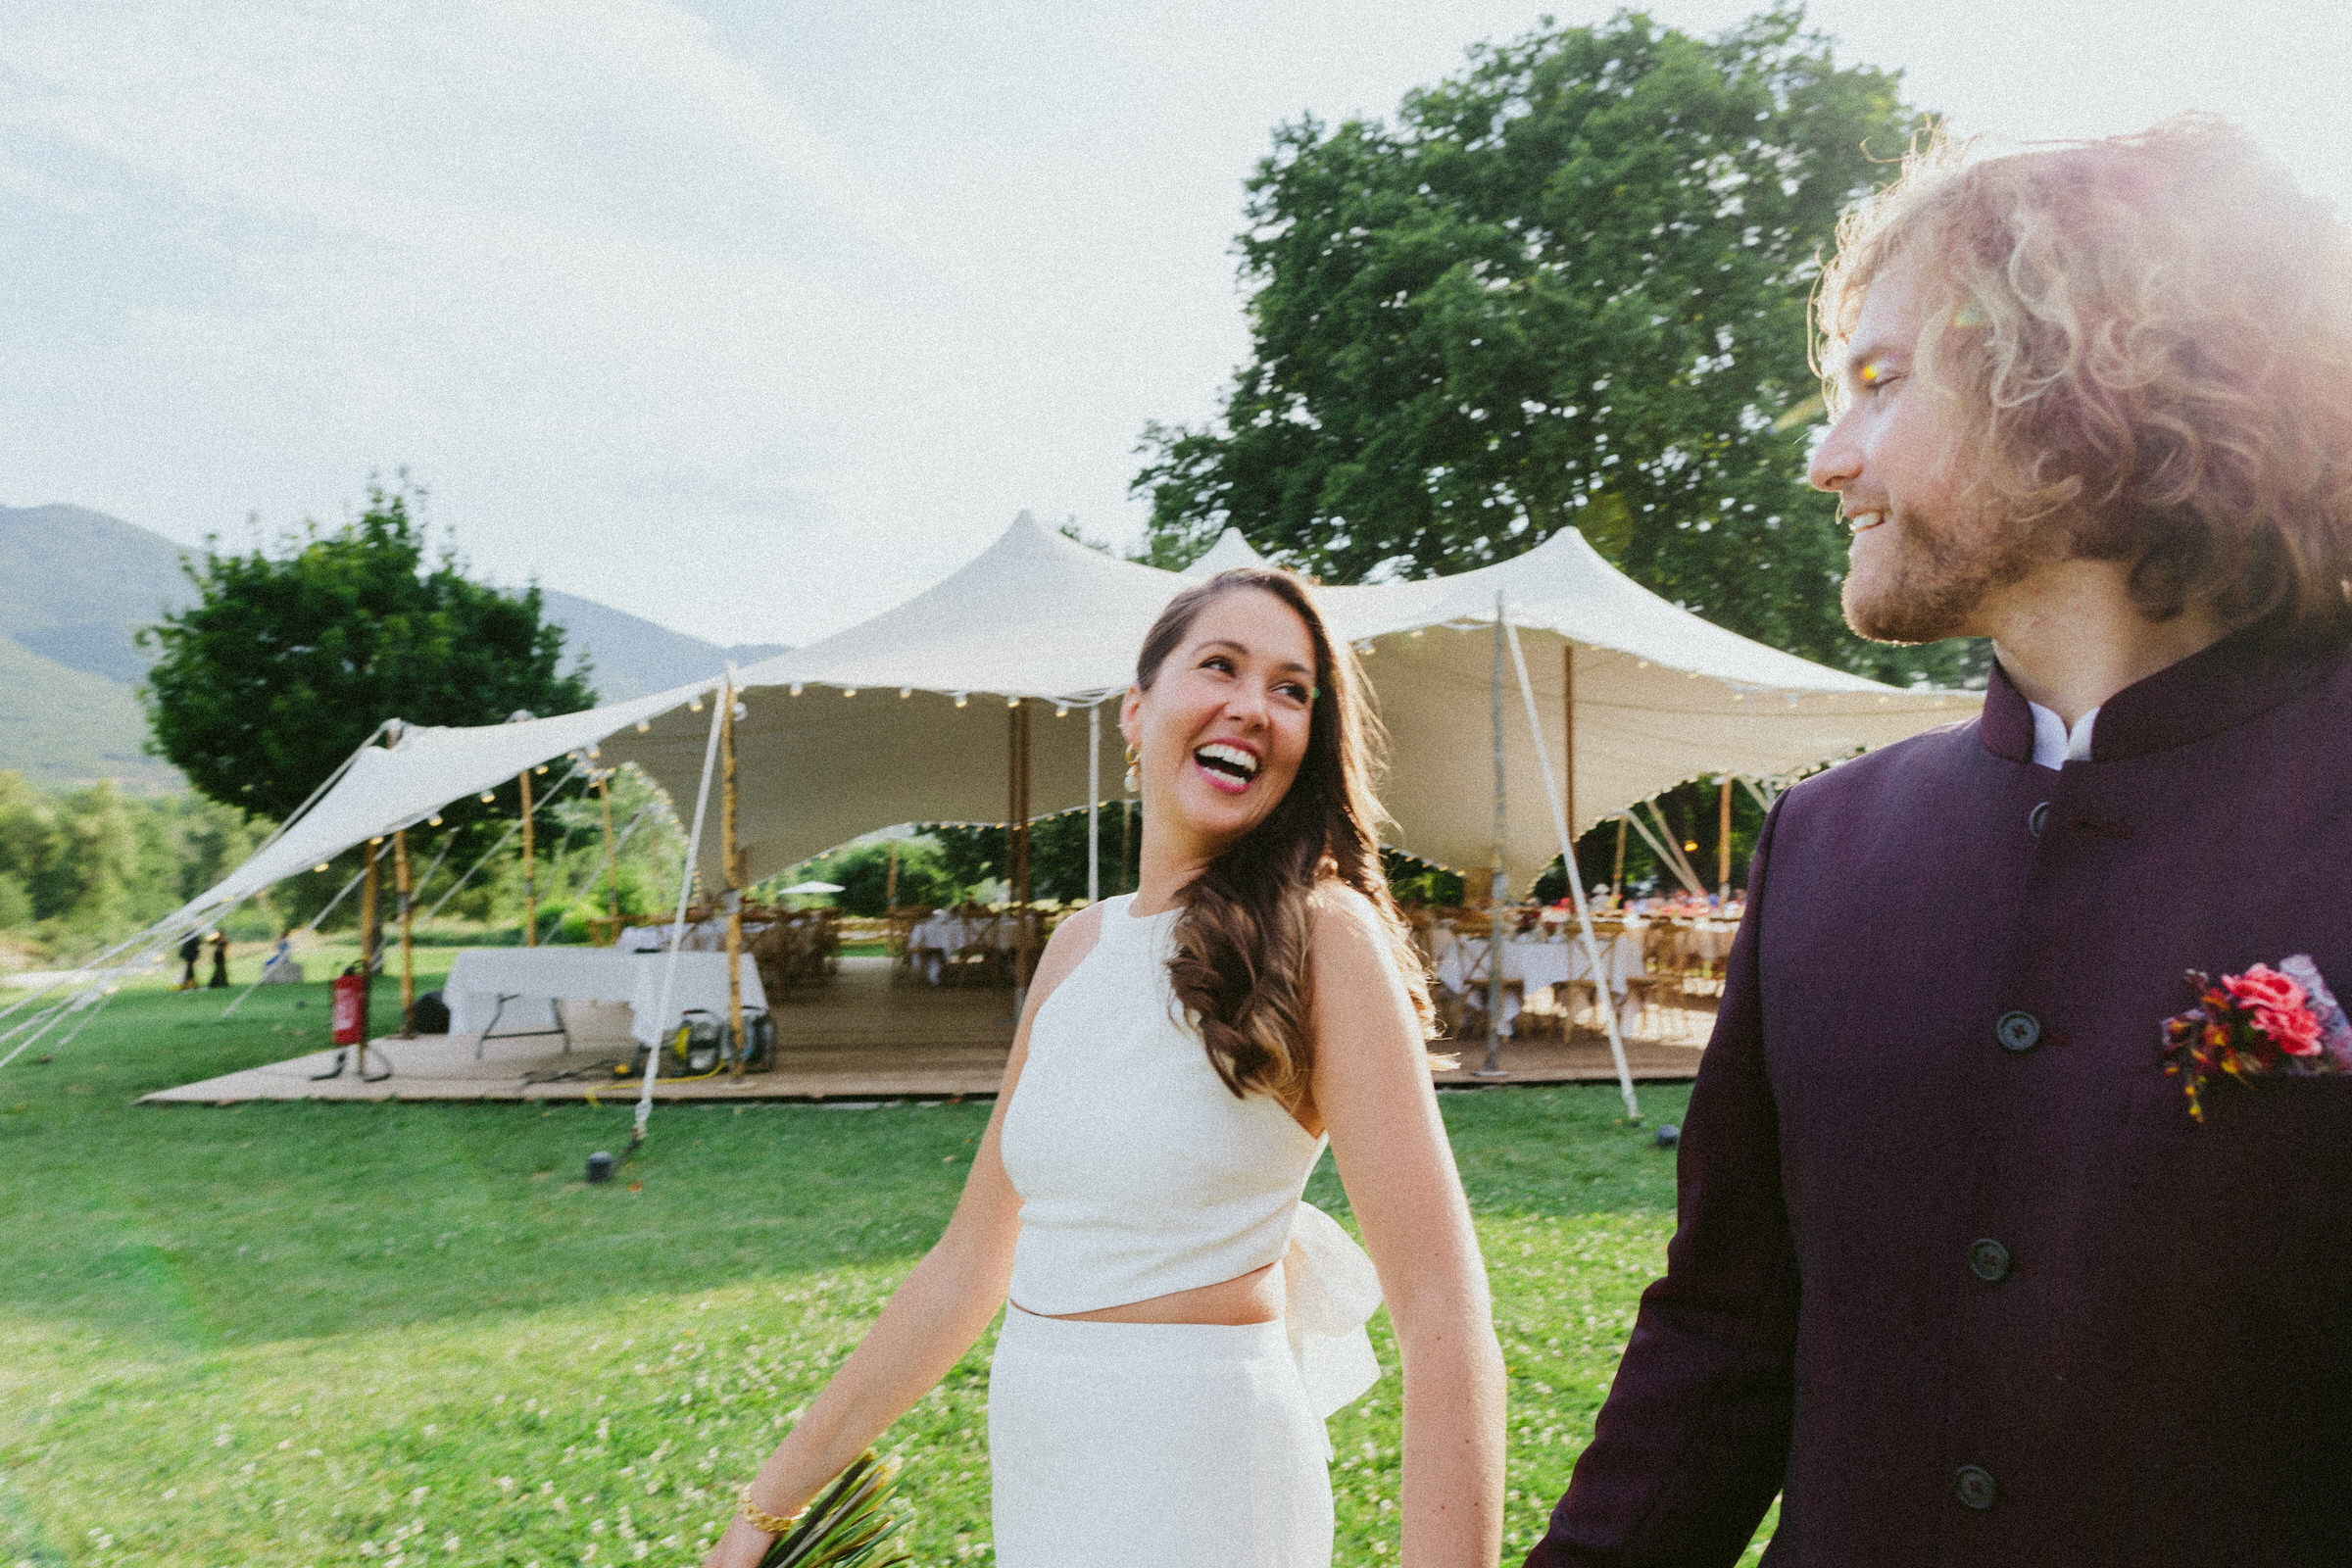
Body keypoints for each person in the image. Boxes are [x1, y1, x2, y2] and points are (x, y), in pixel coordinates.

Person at [1527, 117, 2352, 1565]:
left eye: (1880, 382)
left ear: (2086, 375)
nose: (1825, 463)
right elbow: (1722, 1344)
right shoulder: (1829, 843)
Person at [709, 568, 1505, 1568]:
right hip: (1045, 1464)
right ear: (1137, 711)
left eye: (1293, 689)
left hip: (1206, 1484)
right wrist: (765, 1507)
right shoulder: (1077, 949)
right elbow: (965, 1270)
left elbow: (1440, 1300)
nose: (1253, 706)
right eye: (1220, 665)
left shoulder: (1323, 939)